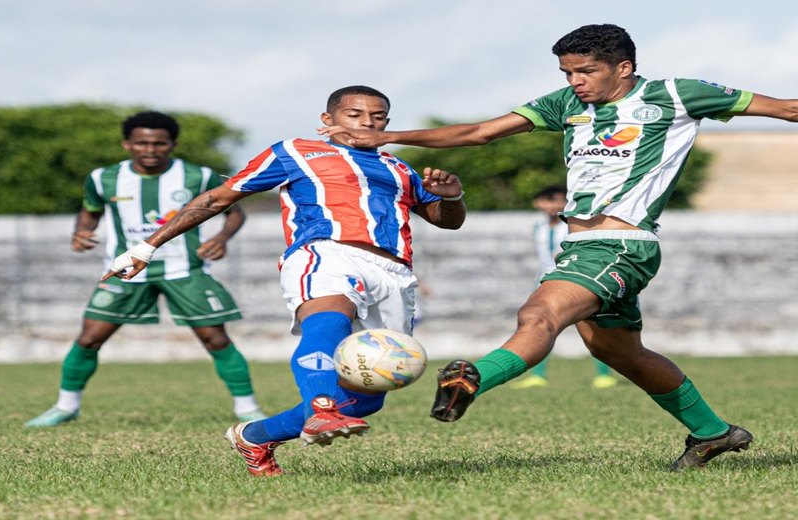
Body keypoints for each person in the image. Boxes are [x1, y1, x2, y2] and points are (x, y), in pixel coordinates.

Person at [320, 24, 798, 470]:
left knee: (539, 315)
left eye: (585, 71)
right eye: (568, 72)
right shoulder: (566, 104)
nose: (576, 81)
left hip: (622, 243)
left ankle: (471, 378)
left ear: (623, 68)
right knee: (619, 352)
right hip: (580, 246)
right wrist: (389, 138)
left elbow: (786, 108)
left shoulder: (674, 95)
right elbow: (479, 133)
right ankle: (713, 432)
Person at [101, 86, 466, 476]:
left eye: (377, 117)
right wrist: (146, 248)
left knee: (366, 400)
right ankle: (321, 408)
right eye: (355, 115)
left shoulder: (398, 167)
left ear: (387, 123)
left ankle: (255, 436)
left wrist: (451, 197)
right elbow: (219, 198)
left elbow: (448, 220)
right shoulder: (295, 151)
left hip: (394, 273)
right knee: (328, 320)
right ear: (328, 120)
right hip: (326, 251)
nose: (367, 123)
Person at [26, 111, 266, 427]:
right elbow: (90, 211)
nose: (150, 150)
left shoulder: (199, 176)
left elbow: (234, 213)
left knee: (216, 339)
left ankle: (247, 409)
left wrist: (222, 238)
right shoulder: (103, 178)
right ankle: (65, 406)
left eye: (158, 143)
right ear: (128, 144)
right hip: (125, 270)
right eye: (142, 143)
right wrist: (80, 232)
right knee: (89, 338)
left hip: (184, 269)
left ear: (172, 144)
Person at [509, 184, 617, 389]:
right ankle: (538, 374)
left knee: (593, 327)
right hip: (544, 280)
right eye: (549, 200)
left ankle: (604, 374)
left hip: (573, 279)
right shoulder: (537, 228)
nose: (554, 205)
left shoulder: (571, 225)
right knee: (538, 327)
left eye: (559, 200)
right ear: (538, 203)